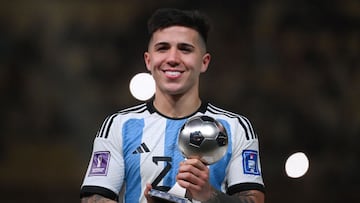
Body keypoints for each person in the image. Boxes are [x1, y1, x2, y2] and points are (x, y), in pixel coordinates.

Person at [80, 8, 265, 203]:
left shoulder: (235, 128)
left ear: (204, 62)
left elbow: (254, 200)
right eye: (162, 48)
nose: (173, 59)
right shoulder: (119, 125)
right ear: (148, 61)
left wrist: (208, 195)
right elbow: (94, 197)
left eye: (185, 49)